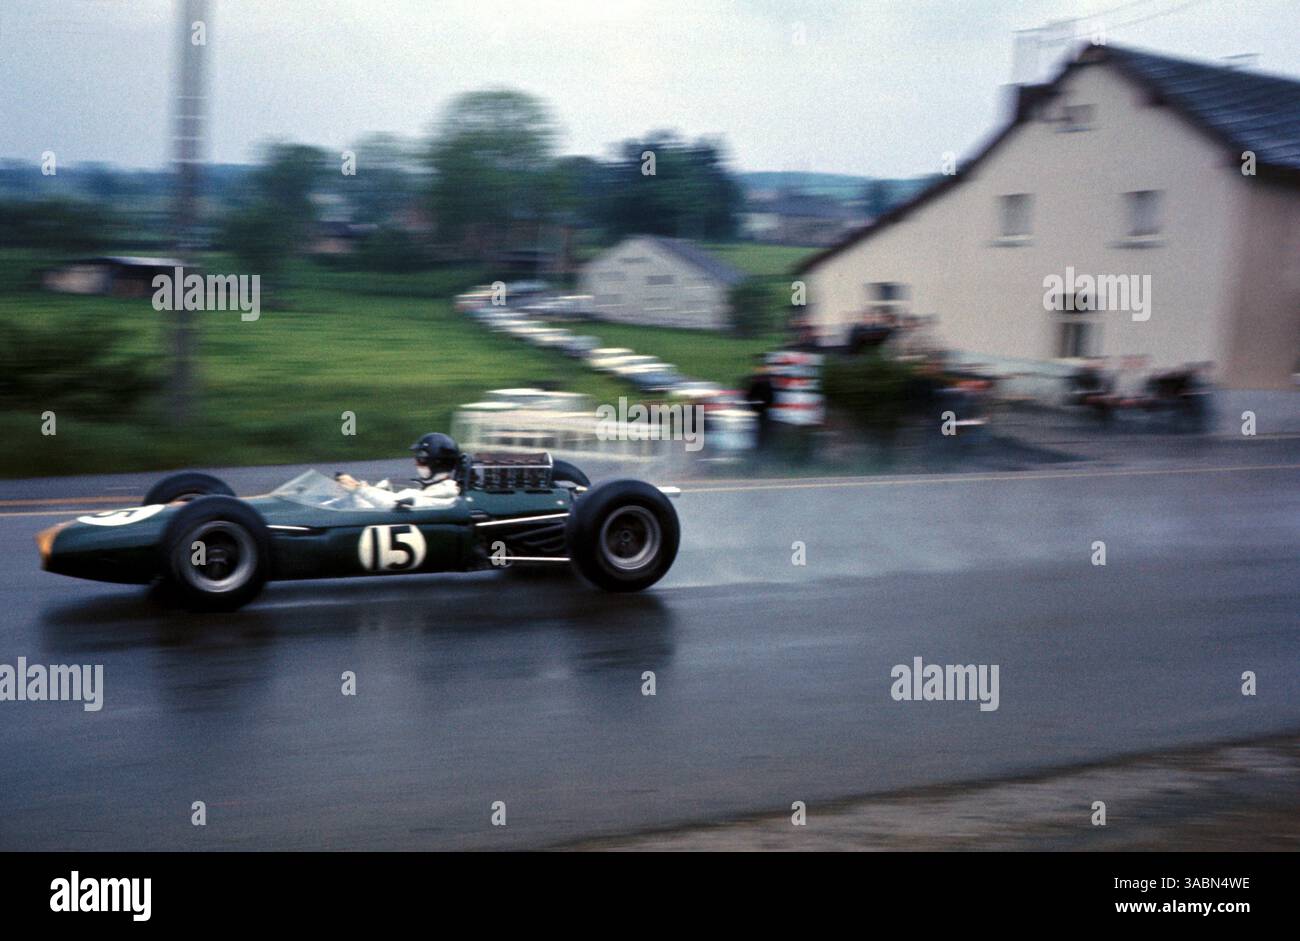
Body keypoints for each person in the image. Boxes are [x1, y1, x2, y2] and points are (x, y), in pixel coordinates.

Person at [335, 433, 462, 508]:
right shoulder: (432, 488)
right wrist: (357, 494)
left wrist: (359, 489)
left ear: (436, 462)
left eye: (421, 459)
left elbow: (394, 504)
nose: (416, 463)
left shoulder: (445, 491)